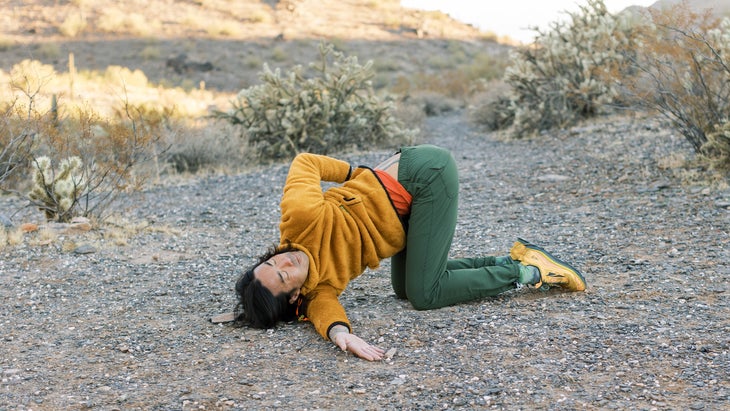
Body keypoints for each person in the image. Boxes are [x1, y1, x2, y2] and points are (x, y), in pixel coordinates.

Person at [233, 144, 586, 361]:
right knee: (405, 288)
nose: (283, 261)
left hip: (423, 176)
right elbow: (325, 310)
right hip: (405, 211)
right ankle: (512, 261)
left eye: (271, 261)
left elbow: (305, 162)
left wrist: (356, 173)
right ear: (294, 293)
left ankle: (529, 273)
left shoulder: (300, 218)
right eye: (281, 274)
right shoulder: (315, 289)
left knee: (424, 292)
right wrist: (341, 334)